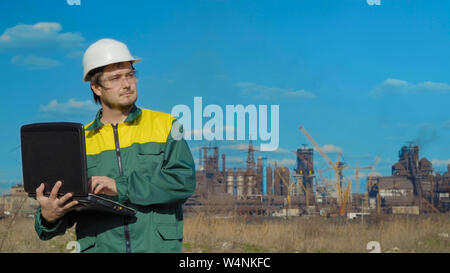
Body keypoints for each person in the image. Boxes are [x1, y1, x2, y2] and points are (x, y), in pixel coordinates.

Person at [34, 38, 196, 253]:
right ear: (96, 88)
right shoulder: (78, 142)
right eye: (115, 78)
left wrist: (120, 187)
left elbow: (182, 182)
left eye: (130, 75)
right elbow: (59, 215)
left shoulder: (166, 125)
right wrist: (49, 216)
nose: (127, 84)